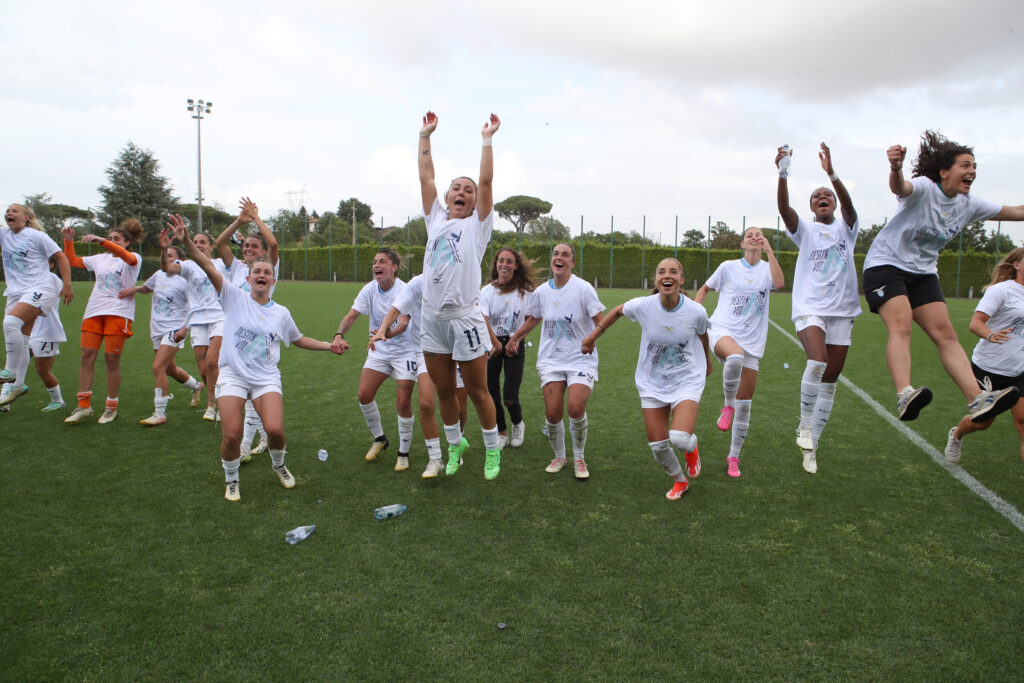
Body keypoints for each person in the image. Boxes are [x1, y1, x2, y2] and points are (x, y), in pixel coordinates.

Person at [169, 214, 344, 502]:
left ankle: (279, 465)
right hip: (233, 375)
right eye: (256, 272)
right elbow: (205, 263)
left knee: (275, 430)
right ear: (248, 278)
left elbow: (298, 339)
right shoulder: (232, 297)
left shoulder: (281, 312)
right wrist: (186, 240)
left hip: (265, 378)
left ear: (273, 279)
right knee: (232, 436)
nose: (261, 275)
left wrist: (329, 346)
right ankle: (232, 479)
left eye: (266, 272)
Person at [863, 130, 1023, 423]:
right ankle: (905, 394)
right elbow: (901, 187)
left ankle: (978, 398)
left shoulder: (968, 203)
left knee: (946, 334)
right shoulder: (925, 188)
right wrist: (896, 168)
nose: (972, 171)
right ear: (944, 172)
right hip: (886, 265)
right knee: (901, 324)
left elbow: (1015, 211)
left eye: (974, 166)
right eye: (965, 165)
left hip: (923, 272)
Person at [417, 110, 504, 480]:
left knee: (478, 390)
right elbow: (426, 176)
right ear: (448, 196)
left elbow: (486, 181)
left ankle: (492, 450)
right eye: (457, 188)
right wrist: (425, 136)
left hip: (464, 317)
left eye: (467, 191)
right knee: (443, 391)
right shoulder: (435, 218)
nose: (463, 193)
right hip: (431, 318)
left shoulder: (478, 227)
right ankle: (455, 446)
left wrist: (487, 139)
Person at [581, 258, 711, 499]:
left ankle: (691, 449)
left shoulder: (695, 311)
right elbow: (618, 311)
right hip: (651, 383)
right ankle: (679, 481)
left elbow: (703, 335)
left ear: (681, 280)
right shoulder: (644, 305)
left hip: (686, 380)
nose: (666, 275)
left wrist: (708, 362)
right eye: (661, 271)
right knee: (659, 448)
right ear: (656, 280)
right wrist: (592, 337)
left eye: (673, 271)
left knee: (680, 438)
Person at [776, 142, 862, 474]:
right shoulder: (806, 230)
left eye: (827, 195)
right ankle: (804, 427)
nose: (822, 197)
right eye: (816, 196)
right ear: (812, 208)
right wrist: (783, 173)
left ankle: (813, 446)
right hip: (810, 306)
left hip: (843, 310)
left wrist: (832, 173)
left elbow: (851, 207)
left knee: (830, 380)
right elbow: (785, 210)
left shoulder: (847, 227)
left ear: (835, 203)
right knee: (817, 361)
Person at [506, 243, 605, 480]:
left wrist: (591, 338)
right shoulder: (541, 292)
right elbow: (534, 319)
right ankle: (560, 456)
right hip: (551, 360)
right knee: (552, 414)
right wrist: (516, 337)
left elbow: (600, 320)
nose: (559, 258)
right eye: (556, 255)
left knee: (575, 408)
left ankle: (579, 458)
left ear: (572, 262)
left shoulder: (584, 289)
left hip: (581, 359)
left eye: (565, 255)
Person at [695, 227, 784, 478]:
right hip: (722, 329)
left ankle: (733, 456)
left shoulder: (767, 268)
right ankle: (726, 406)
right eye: (750, 235)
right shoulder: (728, 267)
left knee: (745, 405)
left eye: (760, 234)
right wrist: (692, 313)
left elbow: (779, 283)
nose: (755, 237)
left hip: (753, 341)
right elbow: (704, 289)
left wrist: (769, 250)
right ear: (742, 244)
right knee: (734, 357)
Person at [334, 248, 420, 471]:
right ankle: (380, 438)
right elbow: (352, 315)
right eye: (374, 262)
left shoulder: (404, 290)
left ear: (394, 267)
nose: (376, 266)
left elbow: (403, 322)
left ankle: (403, 453)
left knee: (402, 402)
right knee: (364, 395)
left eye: (382, 261)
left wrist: (386, 333)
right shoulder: (370, 289)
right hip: (379, 351)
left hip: (405, 352)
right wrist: (339, 335)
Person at [944, 248, 1024, 465]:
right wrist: (990, 334)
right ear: (1016, 264)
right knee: (983, 424)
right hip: (990, 369)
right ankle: (957, 434)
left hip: (1020, 370)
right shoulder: (1002, 291)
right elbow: (975, 323)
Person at [215, 198, 279, 458]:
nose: (248, 248)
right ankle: (255, 441)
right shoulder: (236, 269)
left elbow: (273, 244)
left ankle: (247, 446)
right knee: (243, 389)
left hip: (261, 337)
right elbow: (220, 244)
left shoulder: (266, 268)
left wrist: (256, 218)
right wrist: (240, 221)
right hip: (236, 337)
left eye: (254, 245)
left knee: (256, 391)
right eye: (246, 245)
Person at [61, 219, 143, 423]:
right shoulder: (100, 258)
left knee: (111, 361)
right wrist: (68, 241)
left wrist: (102, 240)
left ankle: (111, 407)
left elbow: (129, 260)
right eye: (110, 238)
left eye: (117, 239)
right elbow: (72, 261)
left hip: (118, 313)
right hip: (94, 311)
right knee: (86, 356)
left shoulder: (133, 258)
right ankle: (83, 406)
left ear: (127, 243)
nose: (111, 241)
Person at [119, 229, 203, 426]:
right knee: (169, 369)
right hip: (156, 328)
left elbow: (194, 306)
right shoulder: (159, 274)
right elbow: (147, 289)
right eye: (166, 255)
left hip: (174, 329)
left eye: (171, 256)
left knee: (158, 367)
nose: (167, 258)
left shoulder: (186, 280)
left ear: (181, 261)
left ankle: (159, 413)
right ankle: (196, 385)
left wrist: (185, 328)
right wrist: (135, 289)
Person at [369, 273, 446, 478]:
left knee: (461, 398)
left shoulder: (457, 277)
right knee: (426, 404)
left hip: (453, 346)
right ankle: (436, 459)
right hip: (424, 350)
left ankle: (458, 446)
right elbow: (396, 312)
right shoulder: (417, 283)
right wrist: (383, 330)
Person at [0, 204, 73, 407]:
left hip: (40, 288)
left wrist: (67, 284)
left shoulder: (36, 236)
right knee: (22, 339)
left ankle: (10, 374)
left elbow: (61, 258)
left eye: (14, 211)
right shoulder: (3, 235)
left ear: (27, 217)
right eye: (7, 211)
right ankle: (18, 384)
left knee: (10, 323)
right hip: (15, 292)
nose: (9, 214)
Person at [163, 227, 224, 421]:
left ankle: (214, 405)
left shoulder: (221, 264)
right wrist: (164, 249)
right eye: (195, 242)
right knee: (205, 371)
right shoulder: (188, 265)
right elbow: (168, 269)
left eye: (202, 242)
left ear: (211, 246)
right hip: (197, 321)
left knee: (213, 361)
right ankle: (219, 397)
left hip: (219, 317)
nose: (198, 245)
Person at [479, 248, 536, 449]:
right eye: (501, 260)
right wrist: (494, 343)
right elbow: (483, 318)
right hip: (491, 344)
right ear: (496, 264)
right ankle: (501, 432)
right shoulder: (486, 291)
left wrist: (518, 339)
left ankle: (518, 424)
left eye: (509, 261)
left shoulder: (526, 291)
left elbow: (531, 318)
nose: (504, 264)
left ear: (516, 265)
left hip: (514, 343)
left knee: (510, 396)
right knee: (491, 393)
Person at [0, 268, 68, 412]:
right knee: (12, 361)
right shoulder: (27, 277)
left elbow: (57, 292)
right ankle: (4, 400)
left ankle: (58, 400)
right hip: (30, 330)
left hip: (46, 332)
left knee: (42, 370)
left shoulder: (52, 279)